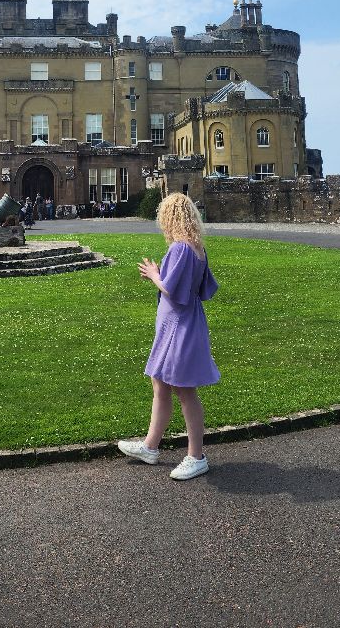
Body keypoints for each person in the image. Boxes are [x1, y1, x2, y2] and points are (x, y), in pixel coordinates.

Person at [118, 192, 220, 481]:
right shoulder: (196, 248)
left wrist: (154, 274)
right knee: (160, 385)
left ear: (169, 217)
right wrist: (163, 274)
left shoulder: (180, 249)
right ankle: (150, 447)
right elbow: (197, 288)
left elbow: (173, 290)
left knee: (185, 391)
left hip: (179, 327)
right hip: (180, 325)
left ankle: (196, 456)